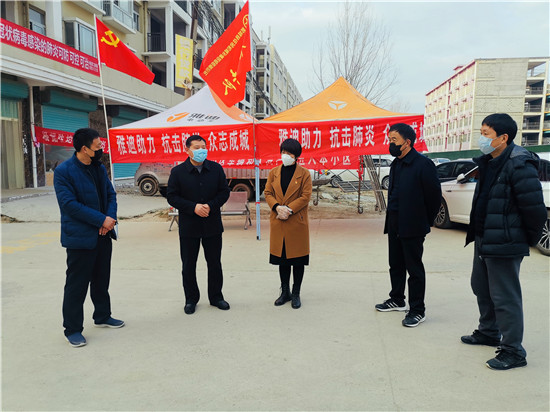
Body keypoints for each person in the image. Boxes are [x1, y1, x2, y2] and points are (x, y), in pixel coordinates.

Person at [461, 113, 546, 370]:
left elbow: (535, 210)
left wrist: (520, 241)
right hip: (484, 237)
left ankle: (513, 351)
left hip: (505, 242)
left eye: (486, 133)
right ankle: (489, 332)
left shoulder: (519, 165)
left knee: (505, 297)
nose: (481, 138)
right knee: (481, 287)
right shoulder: (489, 162)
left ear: (503, 137)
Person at [54, 128, 124, 348]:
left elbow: (110, 195)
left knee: (102, 279)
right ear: (84, 149)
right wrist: (100, 220)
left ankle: (102, 315)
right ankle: (73, 329)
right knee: (77, 284)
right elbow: (69, 205)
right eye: (98, 146)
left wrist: (109, 219)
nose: (101, 149)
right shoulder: (64, 172)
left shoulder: (98, 168)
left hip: (103, 233)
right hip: (80, 237)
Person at [375, 123, 441, 327]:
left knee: (414, 269)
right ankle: (397, 299)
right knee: (395, 264)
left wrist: (424, 222)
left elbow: (434, 198)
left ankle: (417, 310)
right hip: (395, 223)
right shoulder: (396, 164)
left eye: (394, 140)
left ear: (407, 142)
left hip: (413, 225)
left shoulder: (423, 164)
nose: (390, 143)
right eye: (389, 139)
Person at [167, 134, 231, 315]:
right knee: (188, 264)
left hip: (212, 224)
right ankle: (191, 299)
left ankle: (216, 297)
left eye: (203, 147)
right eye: (196, 147)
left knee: (214, 263)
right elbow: (172, 196)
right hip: (189, 226)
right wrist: (193, 207)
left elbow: (224, 192)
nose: (201, 150)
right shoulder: (178, 172)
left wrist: (210, 205)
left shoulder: (216, 169)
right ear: (187, 150)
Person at [264, 138, 312, 309]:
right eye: (283, 152)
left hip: (296, 221)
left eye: (289, 153)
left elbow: (305, 196)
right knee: (282, 260)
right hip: (279, 221)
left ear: (296, 155)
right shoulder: (274, 172)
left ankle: (296, 293)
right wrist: (277, 207)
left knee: (298, 260)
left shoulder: (304, 173)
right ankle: (285, 292)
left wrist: (289, 210)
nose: (285, 155)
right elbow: (268, 192)